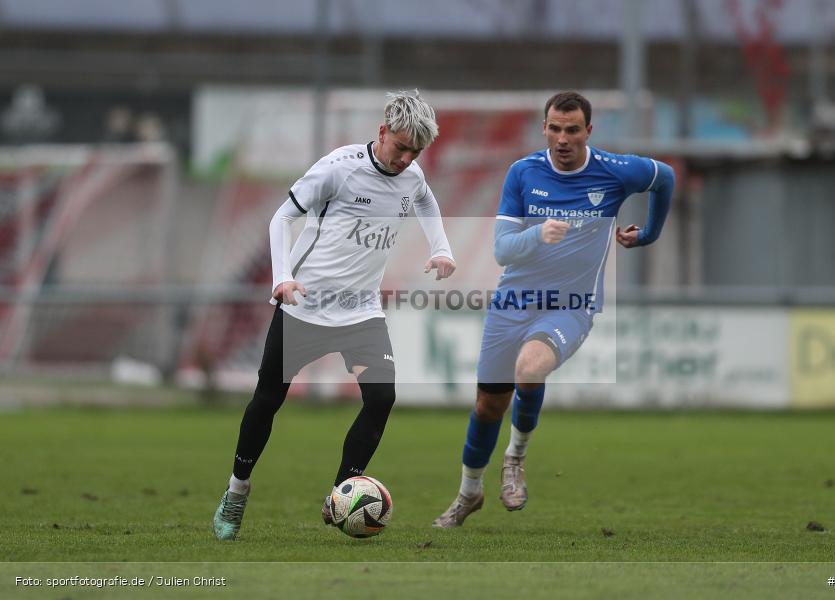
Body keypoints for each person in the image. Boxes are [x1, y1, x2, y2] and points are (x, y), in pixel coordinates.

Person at [213, 90, 456, 540]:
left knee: (381, 399)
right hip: (304, 306)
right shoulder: (337, 170)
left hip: (360, 314)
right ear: (382, 132)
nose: (406, 158)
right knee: (268, 400)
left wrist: (441, 248)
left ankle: (341, 493)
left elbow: (424, 199)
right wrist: (281, 278)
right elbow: (280, 219)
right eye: (400, 147)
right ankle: (237, 490)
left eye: (415, 152)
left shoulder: (413, 175)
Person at [432, 91, 674, 528]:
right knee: (488, 406)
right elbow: (503, 250)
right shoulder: (523, 174)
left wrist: (648, 235)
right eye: (555, 128)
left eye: (572, 130)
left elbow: (666, 177)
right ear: (544, 128)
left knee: (530, 368)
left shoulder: (616, 172)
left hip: (571, 306)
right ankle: (469, 493)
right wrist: (537, 234)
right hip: (512, 303)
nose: (563, 138)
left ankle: (515, 460)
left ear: (588, 131)